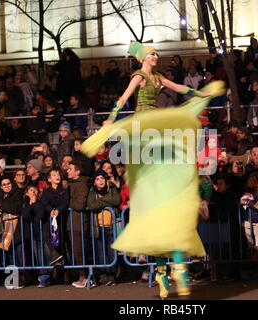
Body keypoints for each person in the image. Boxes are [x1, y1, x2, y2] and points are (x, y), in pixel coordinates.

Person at [81, 41, 223, 298]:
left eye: (157, 53)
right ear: (144, 58)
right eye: (153, 53)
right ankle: (161, 271)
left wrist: (200, 94)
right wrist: (112, 118)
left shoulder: (157, 77)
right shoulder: (139, 76)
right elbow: (124, 97)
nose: (157, 56)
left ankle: (171, 269)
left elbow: (179, 87)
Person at [67, 161, 90, 288]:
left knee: (79, 252)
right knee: (75, 252)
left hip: (78, 223)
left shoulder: (81, 185)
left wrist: (67, 203)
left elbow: (80, 205)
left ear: (78, 171)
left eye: (70, 169)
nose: (67, 171)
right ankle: (81, 277)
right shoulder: (71, 184)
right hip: (72, 223)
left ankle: (84, 277)